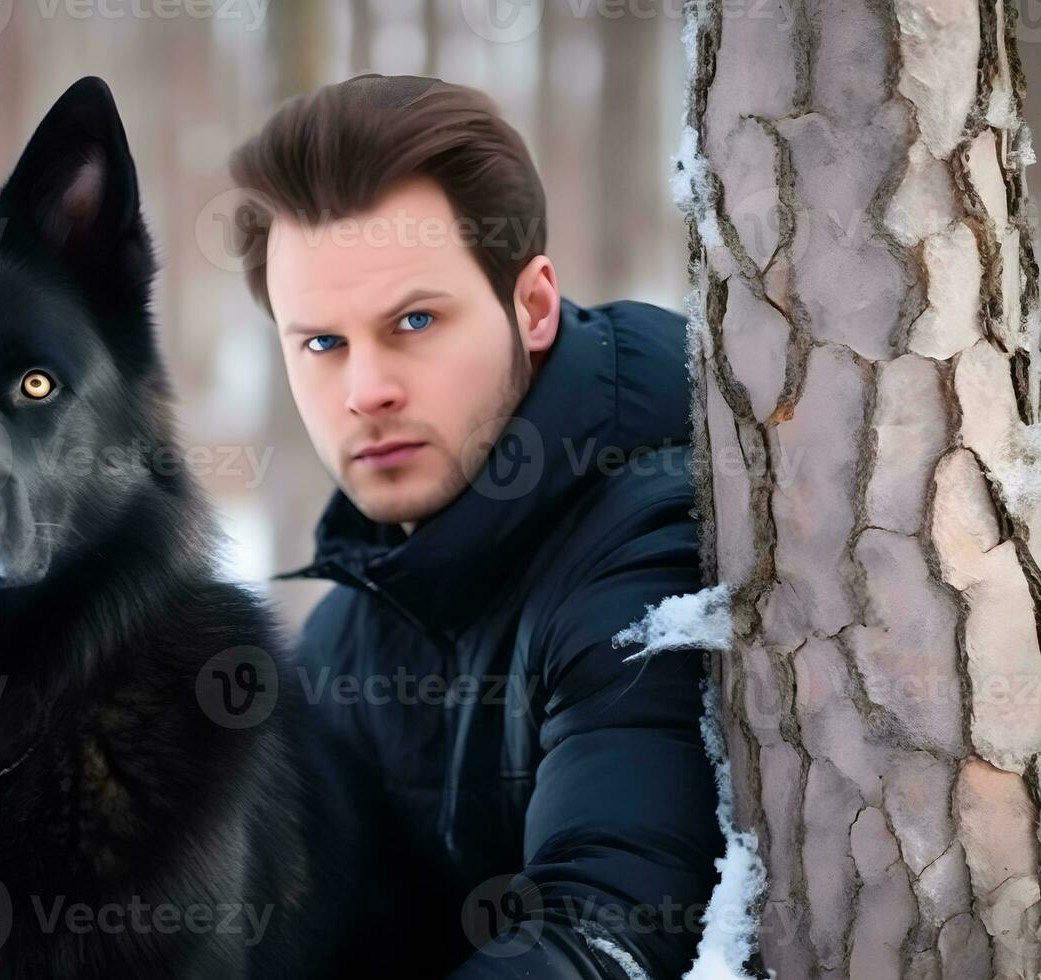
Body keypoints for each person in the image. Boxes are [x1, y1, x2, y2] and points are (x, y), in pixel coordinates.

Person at [228, 74, 726, 979]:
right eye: (322, 343)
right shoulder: (355, 625)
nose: (364, 389)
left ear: (531, 307)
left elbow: (608, 935)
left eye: (414, 321)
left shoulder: (648, 537)